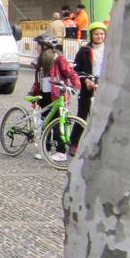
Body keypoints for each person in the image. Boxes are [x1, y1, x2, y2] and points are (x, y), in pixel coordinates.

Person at [29, 33, 80, 162]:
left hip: (57, 95)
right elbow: (38, 80)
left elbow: (70, 73)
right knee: (45, 122)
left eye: (38, 46)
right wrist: (33, 93)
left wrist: (76, 87)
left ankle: (60, 151)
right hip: (44, 95)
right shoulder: (40, 60)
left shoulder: (58, 58)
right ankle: (45, 149)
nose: (36, 48)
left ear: (45, 46)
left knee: (57, 123)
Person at [71, 21, 107, 149]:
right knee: (82, 114)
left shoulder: (109, 49)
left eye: (102, 34)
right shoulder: (84, 50)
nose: (99, 37)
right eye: (96, 34)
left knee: (103, 115)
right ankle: (74, 143)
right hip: (88, 84)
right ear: (91, 35)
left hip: (104, 84)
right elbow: (76, 69)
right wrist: (86, 81)